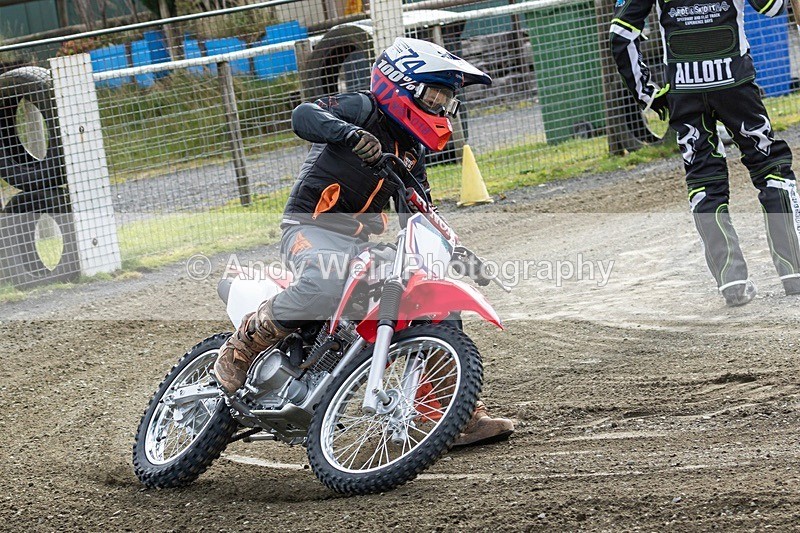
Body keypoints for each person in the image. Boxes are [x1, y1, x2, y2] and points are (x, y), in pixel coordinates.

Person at [214, 37, 514, 447]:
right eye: (434, 96)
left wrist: (456, 252)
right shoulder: (363, 108)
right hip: (310, 229)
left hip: (357, 245)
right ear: (401, 85)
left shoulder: (410, 152)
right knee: (324, 279)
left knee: (435, 306)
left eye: (447, 102)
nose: (441, 110)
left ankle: (452, 412)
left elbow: (421, 209)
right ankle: (242, 346)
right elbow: (304, 115)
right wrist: (350, 134)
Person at [610, 0, 800, 306]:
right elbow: (773, 7)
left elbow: (620, 33)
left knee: (703, 181)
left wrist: (647, 94)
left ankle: (732, 282)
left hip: (684, 89)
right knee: (771, 168)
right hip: (735, 83)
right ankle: (794, 273)